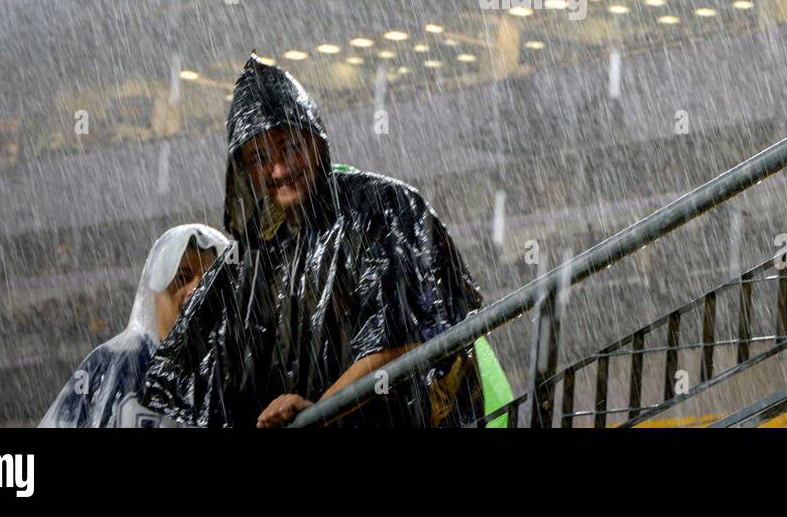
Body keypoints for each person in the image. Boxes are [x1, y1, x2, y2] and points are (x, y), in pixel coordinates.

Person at [140, 55, 485, 427]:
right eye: (258, 157)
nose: (278, 168)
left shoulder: (382, 208)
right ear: (243, 170)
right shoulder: (247, 263)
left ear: (315, 141)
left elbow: (406, 336)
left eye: (288, 146)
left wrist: (319, 412)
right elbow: (176, 374)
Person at [39, 223, 229, 427]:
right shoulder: (109, 365)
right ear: (155, 291)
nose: (197, 289)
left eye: (211, 280)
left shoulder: (237, 372)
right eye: (182, 277)